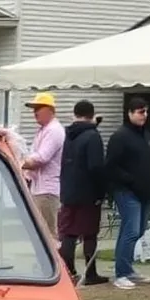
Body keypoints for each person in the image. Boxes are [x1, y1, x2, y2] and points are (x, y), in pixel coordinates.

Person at [105, 96, 150, 290]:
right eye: (139, 111)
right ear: (129, 113)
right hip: (127, 191)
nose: (144, 115)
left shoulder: (147, 136)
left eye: (145, 111)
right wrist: (130, 180)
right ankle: (121, 272)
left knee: (140, 230)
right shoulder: (120, 136)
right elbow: (111, 165)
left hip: (146, 191)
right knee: (131, 230)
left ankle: (127, 268)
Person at [57, 99, 107, 286]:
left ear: (75, 114)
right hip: (88, 192)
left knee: (69, 233)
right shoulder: (93, 137)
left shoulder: (68, 135)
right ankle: (91, 272)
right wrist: (101, 192)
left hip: (69, 189)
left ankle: (68, 270)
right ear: (92, 115)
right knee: (89, 233)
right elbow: (96, 167)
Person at [21, 91, 65, 234]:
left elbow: (41, 158)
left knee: (48, 233)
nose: (35, 112)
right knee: (39, 231)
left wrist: (19, 163)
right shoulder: (43, 130)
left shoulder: (54, 130)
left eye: (38, 108)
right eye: (34, 109)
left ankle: (53, 256)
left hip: (47, 189)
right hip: (38, 187)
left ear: (50, 110)